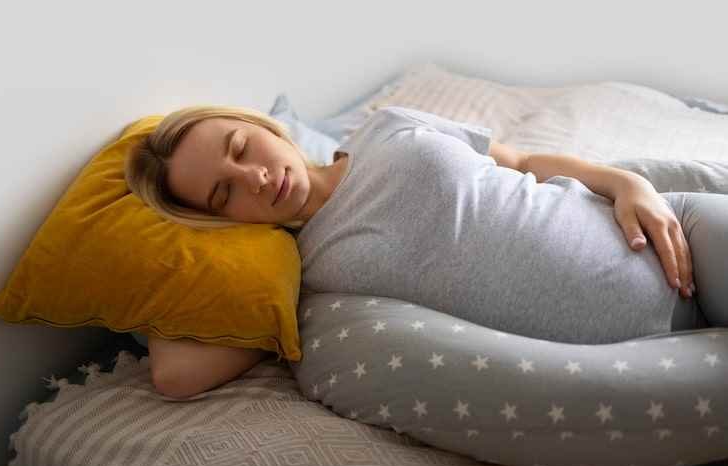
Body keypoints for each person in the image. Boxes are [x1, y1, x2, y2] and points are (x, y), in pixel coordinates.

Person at [125, 104, 726, 399]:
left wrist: (626, 183)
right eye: (224, 193)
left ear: (261, 126)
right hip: (644, 356)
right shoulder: (298, 273)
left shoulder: (387, 126)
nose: (254, 177)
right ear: (219, 221)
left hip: (677, 235)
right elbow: (176, 376)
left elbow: (522, 161)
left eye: (240, 147)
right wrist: (170, 239)